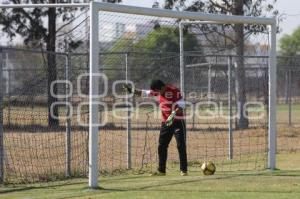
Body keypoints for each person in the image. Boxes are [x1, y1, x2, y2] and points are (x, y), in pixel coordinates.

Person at [124, 79, 188, 176]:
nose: (156, 93)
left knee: (181, 145)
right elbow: (144, 93)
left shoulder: (174, 90)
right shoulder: (158, 91)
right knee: (162, 146)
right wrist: (132, 91)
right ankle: (161, 170)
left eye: (157, 91)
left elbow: (182, 105)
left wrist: (173, 114)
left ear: (162, 87)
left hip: (178, 122)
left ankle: (183, 170)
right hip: (166, 123)